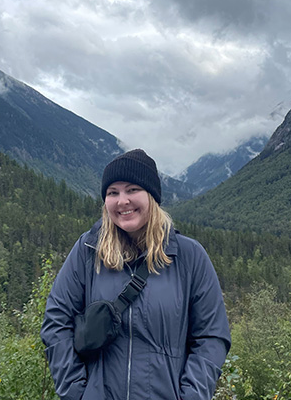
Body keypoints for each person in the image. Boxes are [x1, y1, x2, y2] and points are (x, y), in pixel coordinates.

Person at [41, 149, 231, 400]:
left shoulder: (189, 256)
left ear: (151, 196)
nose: (122, 201)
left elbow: (211, 336)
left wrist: (193, 395)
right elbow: (56, 321)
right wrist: (77, 392)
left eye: (132, 190)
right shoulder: (88, 251)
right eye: (113, 192)